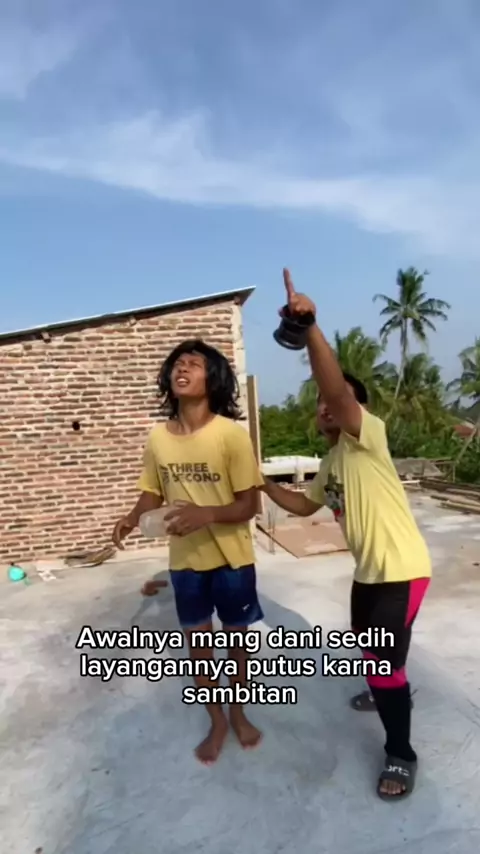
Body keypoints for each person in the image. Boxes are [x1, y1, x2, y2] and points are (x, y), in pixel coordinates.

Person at [260, 269, 431, 800]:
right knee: (370, 646)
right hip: (369, 573)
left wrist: (309, 326)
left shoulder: (366, 437)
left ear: (356, 410)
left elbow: (335, 388)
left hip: (401, 570)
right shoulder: (332, 461)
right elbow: (302, 505)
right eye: (319, 403)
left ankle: (401, 754)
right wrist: (260, 483)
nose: (324, 405)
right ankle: (387, 688)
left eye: (333, 401)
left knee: (382, 664)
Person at [113, 339, 264, 765]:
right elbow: (152, 491)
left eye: (194, 364)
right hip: (185, 563)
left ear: (212, 379)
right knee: (199, 648)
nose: (183, 368)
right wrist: (131, 516)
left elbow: (249, 505)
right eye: (178, 364)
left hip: (233, 560)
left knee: (237, 644)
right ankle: (216, 721)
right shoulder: (158, 438)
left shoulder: (231, 436)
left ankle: (239, 713)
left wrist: (206, 514)